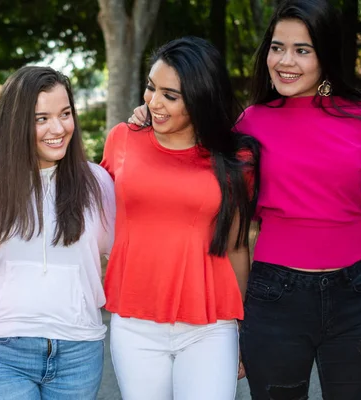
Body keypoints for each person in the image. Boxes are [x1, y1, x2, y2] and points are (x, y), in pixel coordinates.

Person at [134, 1, 361, 398]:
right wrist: (150, 119)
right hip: (275, 299)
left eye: (302, 50)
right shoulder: (250, 123)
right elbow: (194, 175)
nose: (285, 61)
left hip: (357, 298)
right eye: (277, 47)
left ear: (326, 52)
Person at [104, 36, 259, 399]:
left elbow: (236, 248)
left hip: (210, 326)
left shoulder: (236, 159)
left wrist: (243, 327)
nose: (154, 102)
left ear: (200, 99)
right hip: (135, 322)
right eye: (150, 88)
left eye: (169, 95)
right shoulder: (123, 139)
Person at [0, 66, 115, 400]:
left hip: (79, 349)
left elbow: (116, 257)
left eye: (65, 114)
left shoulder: (97, 183)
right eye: (41, 118)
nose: (58, 128)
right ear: (15, 123)